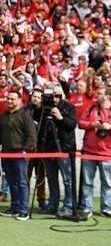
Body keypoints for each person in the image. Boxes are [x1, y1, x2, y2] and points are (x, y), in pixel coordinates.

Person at [0, 90, 37, 221]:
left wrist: (26, 150)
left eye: (13, 99)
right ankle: (14, 207)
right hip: (6, 154)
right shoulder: (3, 116)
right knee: (11, 182)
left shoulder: (25, 116)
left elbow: (32, 136)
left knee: (22, 182)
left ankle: (24, 210)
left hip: (20, 154)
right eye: (8, 99)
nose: (10, 101)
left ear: (19, 100)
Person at [38, 83, 76, 217]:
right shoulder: (43, 107)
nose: (54, 99)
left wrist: (60, 117)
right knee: (51, 179)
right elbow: (40, 126)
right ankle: (53, 204)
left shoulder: (69, 107)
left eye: (57, 96)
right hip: (48, 148)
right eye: (51, 95)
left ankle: (69, 206)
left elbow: (72, 125)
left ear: (62, 96)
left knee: (68, 179)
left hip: (64, 148)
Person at [77, 90, 111, 219]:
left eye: (101, 93)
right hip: (89, 151)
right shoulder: (91, 107)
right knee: (87, 182)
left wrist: (109, 126)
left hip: (107, 153)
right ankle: (86, 207)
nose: (99, 96)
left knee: (107, 183)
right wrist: (93, 124)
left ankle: (106, 208)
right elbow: (80, 123)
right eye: (98, 94)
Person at [25, 88, 48, 210]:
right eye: (34, 96)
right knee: (25, 175)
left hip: (41, 147)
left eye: (39, 97)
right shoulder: (25, 110)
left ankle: (42, 199)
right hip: (28, 147)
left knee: (40, 176)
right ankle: (24, 199)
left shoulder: (45, 111)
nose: (36, 99)